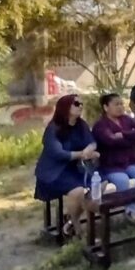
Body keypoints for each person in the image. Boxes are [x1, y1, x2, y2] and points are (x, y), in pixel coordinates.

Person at [34, 95, 100, 238]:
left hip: (74, 169)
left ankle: (69, 221)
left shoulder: (81, 124)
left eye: (82, 103)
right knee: (78, 192)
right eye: (76, 103)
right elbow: (58, 154)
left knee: (97, 188)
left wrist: (90, 148)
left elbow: (92, 141)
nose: (80, 106)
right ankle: (77, 230)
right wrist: (82, 154)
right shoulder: (53, 128)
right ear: (65, 107)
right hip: (53, 173)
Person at [92, 93, 135, 224]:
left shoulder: (126, 119)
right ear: (106, 107)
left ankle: (132, 210)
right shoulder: (100, 125)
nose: (120, 107)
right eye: (116, 104)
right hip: (112, 164)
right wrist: (131, 139)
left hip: (131, 160)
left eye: (121, 104)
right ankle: (130, 211)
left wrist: (124, 134)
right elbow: (110, 141)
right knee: (123, 181)